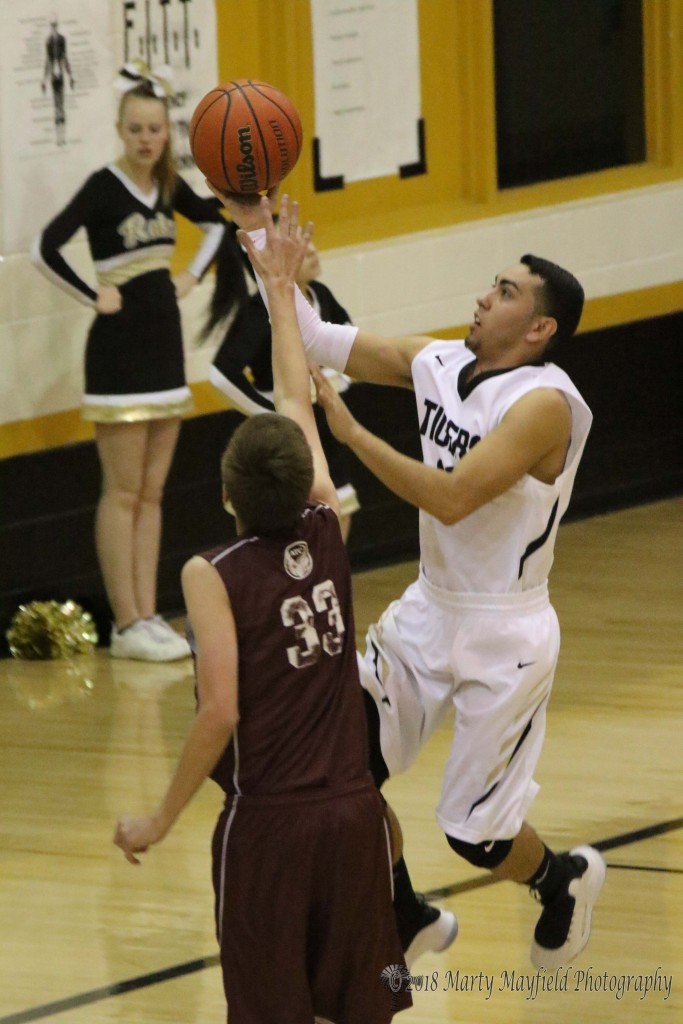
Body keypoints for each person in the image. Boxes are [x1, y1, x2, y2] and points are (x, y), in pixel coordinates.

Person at [231, 194, 606, 971]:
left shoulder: (545, 406)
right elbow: (315, 339)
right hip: (428, 611)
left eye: (504, 292)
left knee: (475, 834)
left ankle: (559, 878)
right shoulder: (437, 363)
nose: (482, 295)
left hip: (505, 634)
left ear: (539, 329)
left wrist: (352, 433)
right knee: (339, 768)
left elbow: (452, 494)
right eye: (490, 283)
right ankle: (403, 913)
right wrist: (265, 243)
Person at [113, 199, 412, 1024]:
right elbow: (294, 395)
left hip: (271, 824)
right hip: (354, 816)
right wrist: (280, 290)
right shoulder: (329, 528)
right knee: (360, 1010)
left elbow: (219, 712)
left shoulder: (211, 572)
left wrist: (160, 820)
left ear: (223, 495)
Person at [32, 66, 226, 662]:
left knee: (153, 491)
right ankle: (125, 620)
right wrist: (94, 294)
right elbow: (46, 247)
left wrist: (192, 274)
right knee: (121, 491)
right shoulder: (103, 186)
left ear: (167, 134)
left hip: (165, 348)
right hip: (116, 352)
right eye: (136, 129)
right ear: (120, 131)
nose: (146, 138)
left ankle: (149, 614)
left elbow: (219, 221)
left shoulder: (169, 187)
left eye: (155, 129)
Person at [204, 223, 360, 542]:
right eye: (299, 247)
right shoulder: (258, 310)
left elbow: (351, 342)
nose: (312, 250)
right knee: (299, 523)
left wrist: (336, 382)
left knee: (340, 512)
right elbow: (221, 374)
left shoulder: (321, 294)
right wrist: (270, 414)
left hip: (326, 424)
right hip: (289, 435)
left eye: (309, 242)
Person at [41, 15, 74, 146]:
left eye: (55, 25)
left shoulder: (62, 39)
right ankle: (58, 138)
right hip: (53, 76)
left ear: (57, 25)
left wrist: (70, 75)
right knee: (56, 106)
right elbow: (48, 61)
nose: (54, 27)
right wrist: (44, 79)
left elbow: (65, 58)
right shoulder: (48, 41)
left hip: (60, 74)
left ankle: (63, 137)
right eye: (52, 25)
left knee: (61, 105)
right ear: (50, 26)